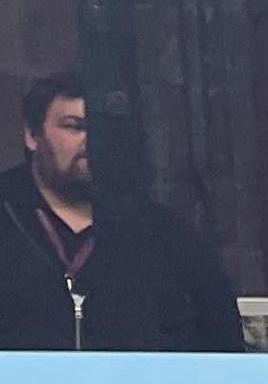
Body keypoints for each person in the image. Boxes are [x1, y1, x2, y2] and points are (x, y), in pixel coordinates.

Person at [3, 69, 239, 353]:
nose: (89, 142)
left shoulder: (163, 233)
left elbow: (220, 336)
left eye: (99, 130)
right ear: (32, 135)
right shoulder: (8, 215)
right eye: (74, 127)